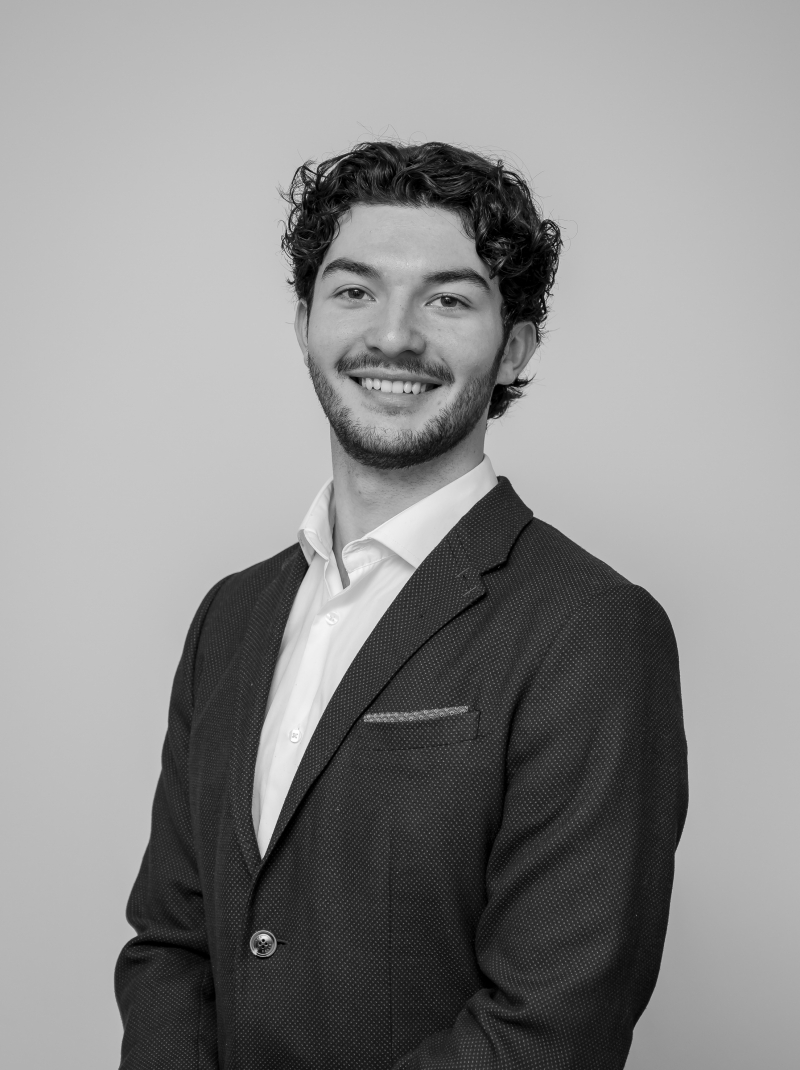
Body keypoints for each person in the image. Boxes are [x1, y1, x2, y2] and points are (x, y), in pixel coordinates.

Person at [115, 141, 688, 1070]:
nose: (393, 336)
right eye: (354, 291)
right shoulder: (231, 616)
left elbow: (553, 1026)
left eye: (448, 300)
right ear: (305, 322)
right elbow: (170, 946)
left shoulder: (591, 627)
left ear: (516, 345)